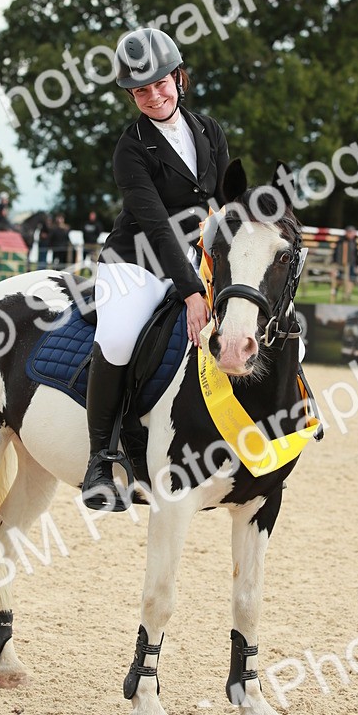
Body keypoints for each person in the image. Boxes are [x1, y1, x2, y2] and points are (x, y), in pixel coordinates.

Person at [80, 27, 230, 510]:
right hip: (135, 262)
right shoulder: (131, 148)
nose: (153, 96)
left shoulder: (209, 130)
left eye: (160, 83)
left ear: (178, 78)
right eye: (140, 90)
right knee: (119, 338)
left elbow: (224, 205)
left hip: (195, 257)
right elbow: (158, 228)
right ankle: (100, 461)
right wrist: (191, 292)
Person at [330, 225, 358, 302]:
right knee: (339, 280)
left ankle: (347, 296)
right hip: (341, 264)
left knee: (351, 280)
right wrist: (335, 264)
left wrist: (357, 265)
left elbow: (356, 255)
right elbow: (336, 254)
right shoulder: (340, 241)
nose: (352, 234)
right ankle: (336, 292)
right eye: (350, 233)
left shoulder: (354, 242)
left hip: (351, 264)